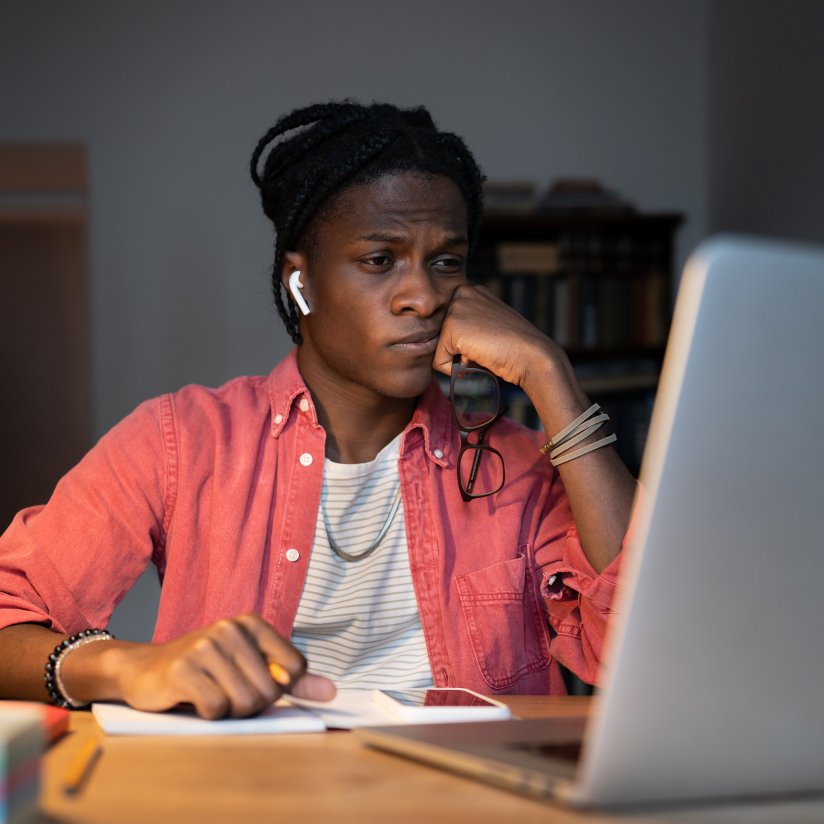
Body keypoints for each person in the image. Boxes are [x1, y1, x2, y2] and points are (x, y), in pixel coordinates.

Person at [0, 101, 637, 719]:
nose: (423, 295)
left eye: (446, 262)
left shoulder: (521, 464)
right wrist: (127, 666)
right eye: (380, 261)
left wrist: (551, 376)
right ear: (299, 282)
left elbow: (638, 649)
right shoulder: (180, 441)